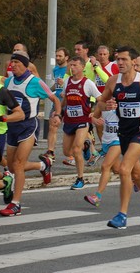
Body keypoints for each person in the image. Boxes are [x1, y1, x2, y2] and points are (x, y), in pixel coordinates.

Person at [93, 46, 140, 229]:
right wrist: (105, 105)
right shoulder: (112, 81)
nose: (120, 63)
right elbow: (100, 101)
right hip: (123, 131)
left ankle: (122, 215)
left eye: (124, 59)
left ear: (134, 62)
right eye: (118, 60)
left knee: (125, 169)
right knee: (136, 173)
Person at [0, 51, 61, 216]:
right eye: (12, 63)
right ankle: (43, 165)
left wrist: (57, 114)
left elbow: (54, 99)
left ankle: (16, 204)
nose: (13, 65)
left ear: (25, 65)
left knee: (19, 164)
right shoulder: (9, 81)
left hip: (28, 126)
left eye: (17, 63)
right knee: (12, 167)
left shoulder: (35, 82)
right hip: (12, 127)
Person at [61, 56, 102, 190]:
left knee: (76, 149)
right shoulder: (67, 81)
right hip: (69, 120)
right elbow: (65, 100)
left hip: (82, 120)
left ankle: (80, 179)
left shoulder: (88, 83)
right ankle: (86, 146)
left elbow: (100, 99)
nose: (72, 68)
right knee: (67, 152)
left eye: (75, 65)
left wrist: (94, 113)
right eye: (71, 65)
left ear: (83, 67)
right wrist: (59, 114)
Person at [0, 77, 25, 208]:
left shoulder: (1, 91)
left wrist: (1, 118)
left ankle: (5, 182)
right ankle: (4, 182)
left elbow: (20, 114)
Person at [41, 47, 69, 163]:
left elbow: (75, 83)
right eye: (56, 56)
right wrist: (45, 91)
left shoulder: (70, 69)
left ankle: (84, 151)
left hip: (68, 102)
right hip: (57, 103)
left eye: (60, 56)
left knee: (72, 130)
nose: (58, 58)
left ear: (66, 57)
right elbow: (55, 86)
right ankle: (50, 152)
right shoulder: (56, 69)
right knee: (53, 126)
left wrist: (64, 85)